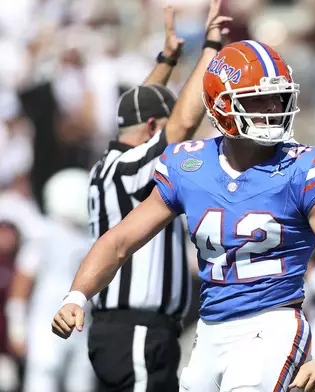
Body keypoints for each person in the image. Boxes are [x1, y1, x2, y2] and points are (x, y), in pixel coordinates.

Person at [52, 39, 315, 392]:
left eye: (277, 96)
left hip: (272, 325)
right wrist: (76, 296)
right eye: (257, 99)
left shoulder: (304, 167)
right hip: (210, 330)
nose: (272, 107)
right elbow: (118, 241)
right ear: (221, 106)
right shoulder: (188, 165)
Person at [51, 2, 232, 391]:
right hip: (136, 325)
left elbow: (142, 110)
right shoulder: (133, 168)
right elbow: (181, 123)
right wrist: (212, 51)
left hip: (133, 328)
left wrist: (167, 60)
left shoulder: (113, 161)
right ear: (152, 127)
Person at [7, 169, 95, 392]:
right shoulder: (43, 233)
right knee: (43, 376)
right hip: (45, 318)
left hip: (82, 322)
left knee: (81, 381)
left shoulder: (90, 238)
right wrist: (17, 326)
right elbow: (23, 279)